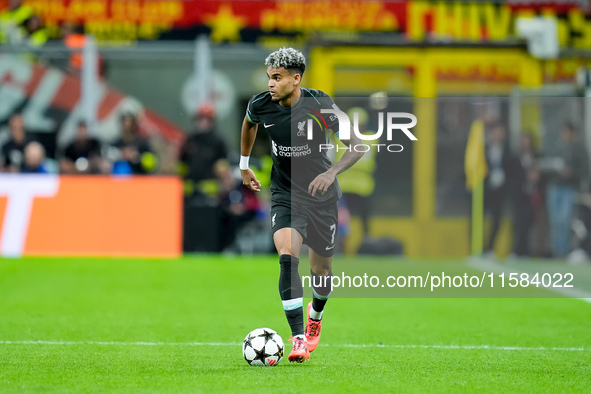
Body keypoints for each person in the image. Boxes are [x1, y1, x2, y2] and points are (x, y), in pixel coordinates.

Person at [240, 47, 363, 362]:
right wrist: (244, 163)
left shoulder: (320, 104)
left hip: (321, 198)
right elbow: (249, 123)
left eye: (277, 78)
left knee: (321, 272)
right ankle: (297, 340)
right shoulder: (261, 104)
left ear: (296, 79)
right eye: (269, 77)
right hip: (285, 193)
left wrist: (331, 171)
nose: (271, 84)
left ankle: (316, 316)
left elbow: (357, 145)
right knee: (287, 257)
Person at [544, 122, 589, 257]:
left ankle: (564, 251)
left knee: (564, 220)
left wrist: (571, 172)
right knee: (555, 222)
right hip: (554, 188)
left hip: (569, 188)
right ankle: (557, 251)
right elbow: (547, 165)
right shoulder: (557, 148)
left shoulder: (579, 149)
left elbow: (584, 170)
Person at [178, 103, 228, 196]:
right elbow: (182, 161)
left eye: (207, 119)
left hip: (209, 189)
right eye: (201, 119)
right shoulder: (191, 138)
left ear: (212, 121)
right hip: (190, 188)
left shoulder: (217, 140)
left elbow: (223, 163)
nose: (203, 122)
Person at [483, 122, 512, 258]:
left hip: (500, 192)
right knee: (480, 220)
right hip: (485, 191)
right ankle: (479, 248)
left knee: (497, 220)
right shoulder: (483, 148)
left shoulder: (507, 150)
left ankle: (490, 249)